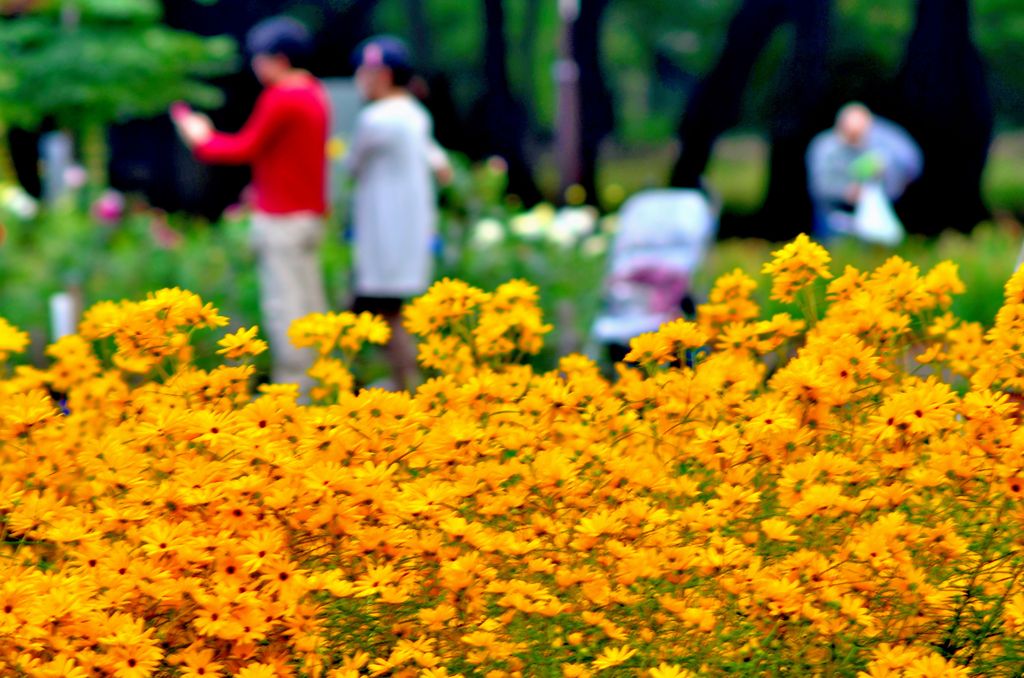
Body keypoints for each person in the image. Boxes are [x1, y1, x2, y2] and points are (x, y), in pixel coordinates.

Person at [173, 16, 330, 398]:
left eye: (259, 58)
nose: (255, 66)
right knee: (312, 308)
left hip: (282, 221)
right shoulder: (313, 93)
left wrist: (200, 137)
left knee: (287, 309)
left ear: (277, 58)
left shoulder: (282, 97)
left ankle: (297, 398)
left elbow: (245, 147)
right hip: (308, 217)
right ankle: (323, 388)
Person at [346, 36, 451, 390]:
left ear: (383, 75)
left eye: (366, 70)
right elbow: (440, 165)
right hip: (409, 235)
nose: (361, 78)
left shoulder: (376, 120)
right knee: (388, 313)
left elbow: (351, 165)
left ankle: (369, 389)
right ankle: (403, 385)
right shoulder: (415, 115)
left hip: (382, 238)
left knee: (368, 317)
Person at [807, 103, 922, 241]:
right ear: (840, 128)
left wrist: (885, 178)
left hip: (868, 214)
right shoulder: (824, 148)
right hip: (833, 213)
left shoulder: (882, 145)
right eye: (851, 134)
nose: (856, 139)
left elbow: (910, 167)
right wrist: (846, 192)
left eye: (860, 134)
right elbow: (818, 186)